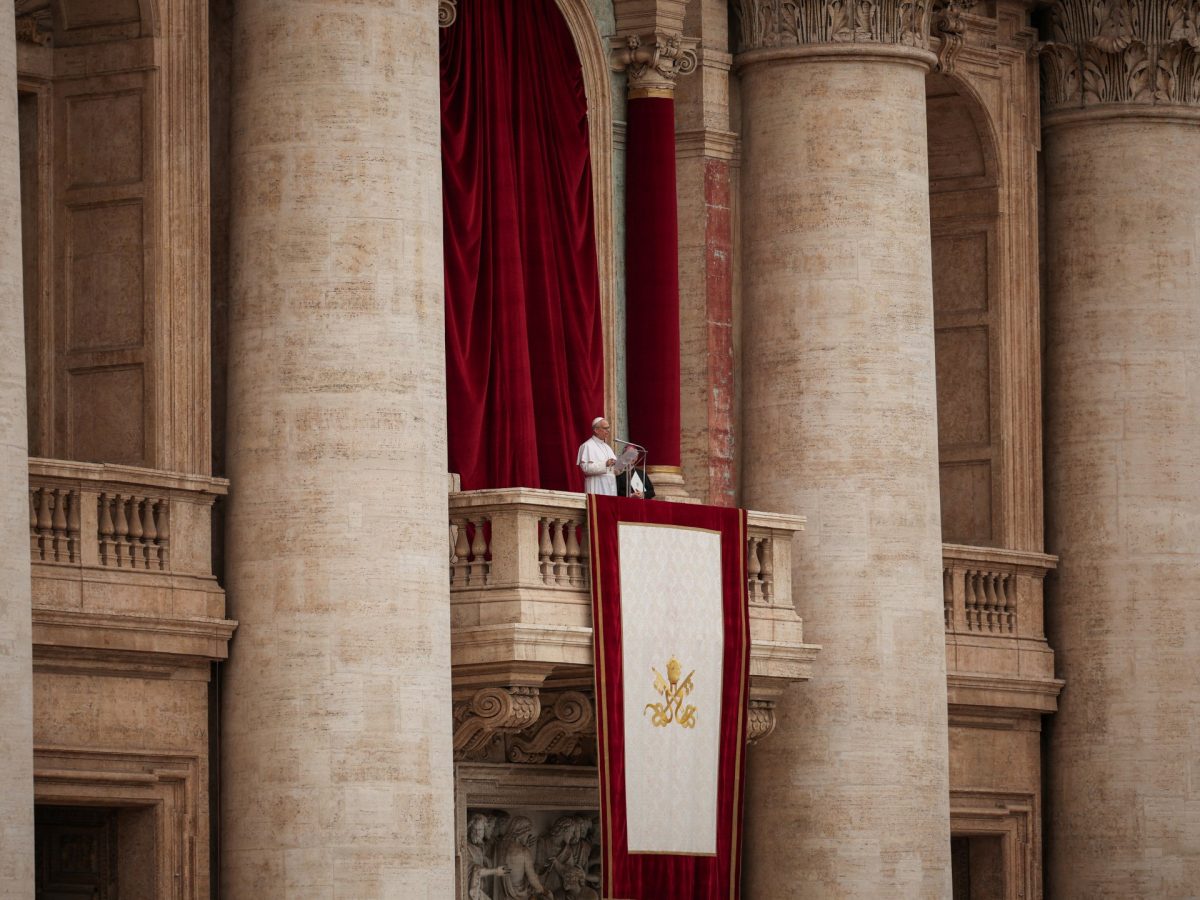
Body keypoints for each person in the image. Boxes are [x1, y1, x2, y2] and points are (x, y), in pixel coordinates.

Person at [576, 417, 618, 495]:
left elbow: (613, 470)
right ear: (596, 430)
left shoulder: (607, 447)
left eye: (608, 428)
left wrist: (619, 466)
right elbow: (586, 469)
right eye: (605, 428)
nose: (608, 430)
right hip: (597, 486)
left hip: (610, 487)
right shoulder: (587, 446)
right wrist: (605, 464)